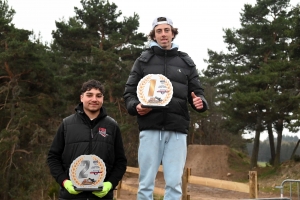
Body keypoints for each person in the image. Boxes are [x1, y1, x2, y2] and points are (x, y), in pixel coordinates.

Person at [123, 16, 208, 200]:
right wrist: (136, 107)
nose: (163, 34)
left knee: (174, 183)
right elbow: (129, 93)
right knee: (146, 184)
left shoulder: (186, 62)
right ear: (153, 35)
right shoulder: (142, 61)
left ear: (173, 33)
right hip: (150, 128)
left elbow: (198, 93)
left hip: (177, 130)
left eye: (166, 30)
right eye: (159, 31)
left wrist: (200, 102)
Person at [47, 79, 127, 200]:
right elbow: (53, 157)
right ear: (81, 98)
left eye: (98, 96)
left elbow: (120, 162)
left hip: (102, 197)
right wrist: (64, 182)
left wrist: (110, 184)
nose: (94, 99)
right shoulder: (67, 124)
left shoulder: (112, 126)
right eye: (89, 95)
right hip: (70, 197)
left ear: (102, 99)